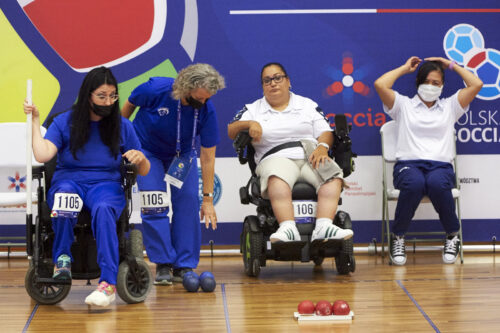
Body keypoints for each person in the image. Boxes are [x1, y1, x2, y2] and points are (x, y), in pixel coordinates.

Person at [23, 67, 150, 307]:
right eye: (102, 96)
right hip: (69, 180)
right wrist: (36, 121)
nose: (108, 101)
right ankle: (62, 259)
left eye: (113, 96)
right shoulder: (64, 121)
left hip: (106, 184)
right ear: (88, 95)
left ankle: (107, 284)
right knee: (64, 198)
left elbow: (144, 170)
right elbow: (42, 154)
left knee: (103, 209)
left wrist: (140, 159)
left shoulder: (122, 126)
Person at [121, 63, 225, 285]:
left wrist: (208, 199)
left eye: (207, 98)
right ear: (185, 88)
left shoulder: (207, 109)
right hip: (147, 151)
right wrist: (121, 138)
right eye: (199, 98)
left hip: (182, 155)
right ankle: (163, 263)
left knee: (188, 202)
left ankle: (184, 265)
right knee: (154, 200)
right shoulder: (155, 89)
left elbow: (208, 156)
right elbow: (129, 105)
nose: (203, 103)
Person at [227, 62, 353, 244]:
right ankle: (287, 227)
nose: (273, 83)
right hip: (274, 157)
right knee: (277, 177)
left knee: (332, 176)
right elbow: (231, 129)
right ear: (263, 86)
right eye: (267, 80)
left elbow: (325, 131)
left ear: (288, 81)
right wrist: (249, 124)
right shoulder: (254, 109)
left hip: (311, 153)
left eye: (278, 78)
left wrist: (322, 146)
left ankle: (324, 226)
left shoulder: (306, 104)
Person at [374, 56, 483, 265]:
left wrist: (450, 65)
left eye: (436, 83)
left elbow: (476, 84)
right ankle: (398, 237)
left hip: (440, 166)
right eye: (427, 82)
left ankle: (452, 235)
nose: (431, 87)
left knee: (436, 184)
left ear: (442, 86)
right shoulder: (403, 106)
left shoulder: (450, 106)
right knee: (414, 184)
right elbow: (380, 84)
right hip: (408, 165)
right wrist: (405, 68)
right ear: (418, 83)